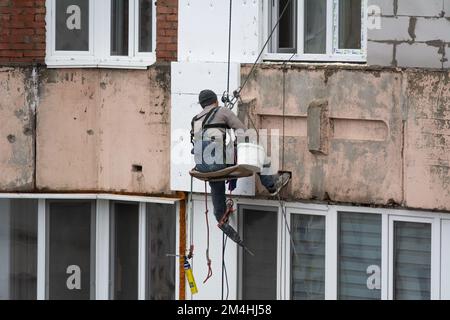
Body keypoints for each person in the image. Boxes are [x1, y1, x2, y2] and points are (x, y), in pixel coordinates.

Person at [190, 89, 291, 246]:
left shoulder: (195, 119)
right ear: (215, 101)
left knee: (216, 180)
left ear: (202, 105)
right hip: (217, 163)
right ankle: (271, 185)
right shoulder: (222, 111)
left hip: (202, 167)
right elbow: (243, 132)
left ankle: (221, 217)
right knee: (256, 148)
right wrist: (237, 146)